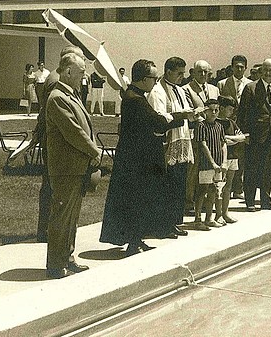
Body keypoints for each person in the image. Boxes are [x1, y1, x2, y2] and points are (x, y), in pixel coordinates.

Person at [100, 60, 192, 256]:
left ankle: (136, 239)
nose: (155, 81)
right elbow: (157, 122)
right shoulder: (135, 99)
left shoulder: (135, 95)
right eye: (153, 77)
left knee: (139, 200)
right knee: (136, 200)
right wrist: (181, 117)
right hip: (137, 160)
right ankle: (134, 241)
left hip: (136, 158)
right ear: (143, 79)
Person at [45, 53, 102, 279]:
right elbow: (74, 133)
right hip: (66, 168)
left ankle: (67, 257)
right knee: (62, 216)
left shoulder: (71, 95)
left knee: (72, 218)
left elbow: (84, 126)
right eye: (81, 73)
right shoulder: (57, 97)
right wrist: (94, 151)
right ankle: (56, 265)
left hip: (76, 167)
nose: (84, 77)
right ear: (68, 72)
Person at [34, 46, 85, 243]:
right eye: (79, 60)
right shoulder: (57, 81)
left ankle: (48, 230)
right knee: (55, 188)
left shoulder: (59, 78)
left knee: (52, 187)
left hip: (55, 139)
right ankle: (48, 231)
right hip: (58, 143)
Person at [147, 57, 195, 237]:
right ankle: (163, 225)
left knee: (178, 185)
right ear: (168, 71)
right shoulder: (157, 91)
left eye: (183, 73)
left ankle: (174, 221)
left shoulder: (180, 90)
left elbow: (185, 110)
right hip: (167, 143)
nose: (182, 76)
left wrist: (193, 115)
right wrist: (183, 115)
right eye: (179, 73)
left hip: (182, 140)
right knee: (167, 185)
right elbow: (160, 116)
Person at [237, 58, 271, 211]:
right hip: (255, 135)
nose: (267, 73)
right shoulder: (250, 88)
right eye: (265, 70)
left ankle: (265, 201)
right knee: (251, 168)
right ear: (260, 70)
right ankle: (250, 201)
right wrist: (245, 133)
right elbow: (242, 113)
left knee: (267, 169)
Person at [184, 60, 220, 213]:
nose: (203, 75)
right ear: (193, 72)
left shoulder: (214, 89)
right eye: (200, 72)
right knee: (193, 169)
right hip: (195, 134)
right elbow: (189, 111)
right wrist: (204, 119)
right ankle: (189, 201)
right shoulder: (186, 89)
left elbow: (216, 111)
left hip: (211, 135)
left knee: (208, 167)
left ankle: (205, 201)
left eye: (206, 72)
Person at [217, 55, 251, 199]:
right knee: (224, 156)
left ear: (245, 68)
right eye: (236, 66)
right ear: (231, 67)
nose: (239, 69)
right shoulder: (222, 84)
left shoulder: (250, 84)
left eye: (241, 67)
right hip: (225, 124)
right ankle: (224, 189)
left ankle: (238, 188)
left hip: (242, 124)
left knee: (240, 158)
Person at [194, 99, 227, 229]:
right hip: (205, 164)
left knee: (214, 190)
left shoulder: (219, 126)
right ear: (205, 111)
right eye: (211, 110)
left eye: (216, 110)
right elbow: (203, 144)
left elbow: (223, 143)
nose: (214, 113)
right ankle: (197, 219)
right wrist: (212, 162)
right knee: (202, 190)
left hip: (218, 164)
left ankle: (209, 218)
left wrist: (223, 161)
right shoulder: (201, 125)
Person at [215, 95, 246, 224]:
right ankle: (217, 214)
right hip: (220, 158)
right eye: (229, 109)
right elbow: (219, 140)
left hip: (233, 157)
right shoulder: (216, 123)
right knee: (218, 188)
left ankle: (225, 212)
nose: (232, 112)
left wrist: (230, 138)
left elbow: (242, 137)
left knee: (228, 186)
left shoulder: (231, 122)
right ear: (221, 108)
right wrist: (231, 139)